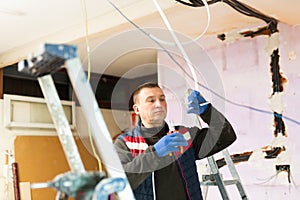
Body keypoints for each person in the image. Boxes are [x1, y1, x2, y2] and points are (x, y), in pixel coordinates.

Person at [114, 82, 237, 200]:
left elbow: (226, 136)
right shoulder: (125, 143)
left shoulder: (183, 136)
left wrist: (207, 112)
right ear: (137, 109)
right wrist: (155, 153)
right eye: (151, 100)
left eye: (162, 99)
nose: (158, 104)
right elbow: (120, 182)